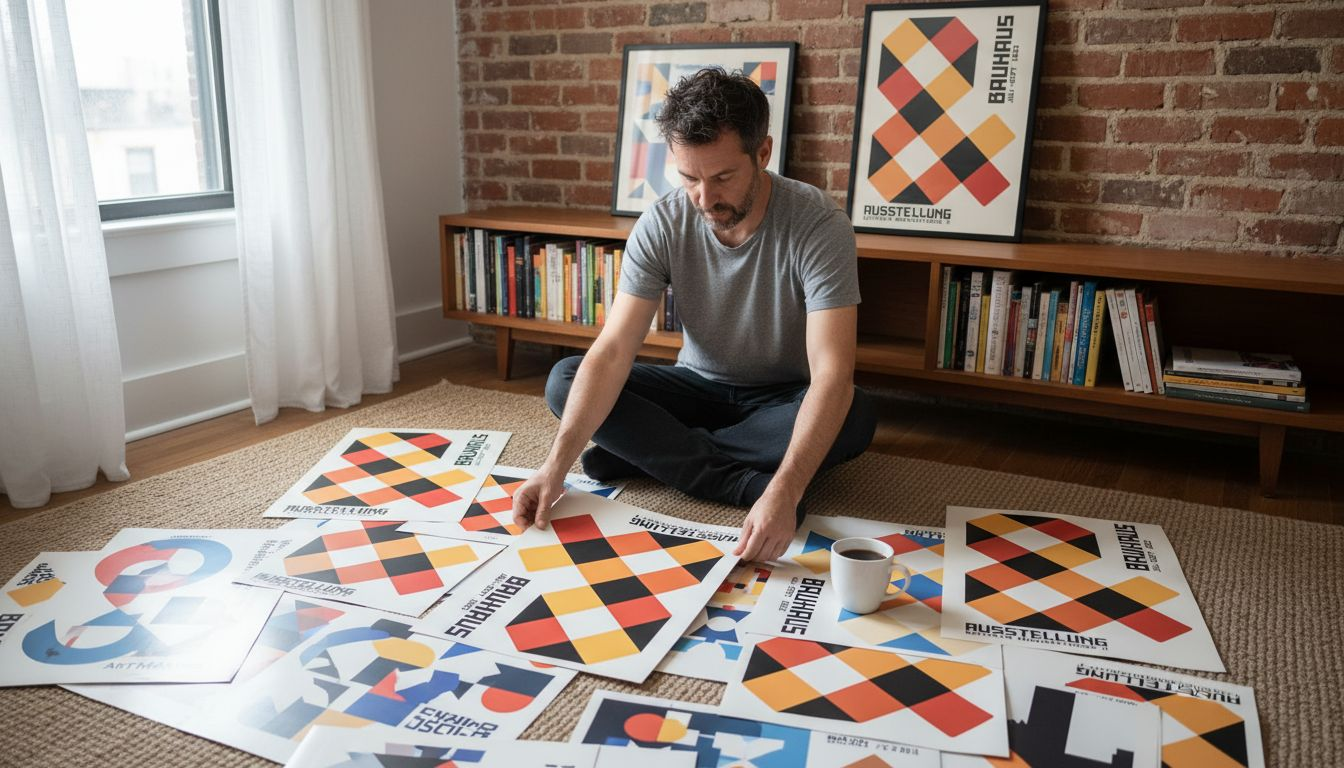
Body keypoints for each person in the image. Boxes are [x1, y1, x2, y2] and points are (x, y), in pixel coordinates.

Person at [511, 67, 875, 563]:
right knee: (566, 379)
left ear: (762, 153)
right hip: (696, 387)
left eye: (723, 177)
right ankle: (733, 478)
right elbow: (614, 350)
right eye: (688, 178)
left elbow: (832, 373)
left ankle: (649, 453)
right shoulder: (662, 223)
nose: (705, 198)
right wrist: (554, 467)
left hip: (782, 399)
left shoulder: (818, 226)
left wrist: (785, 490)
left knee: (853, 412)